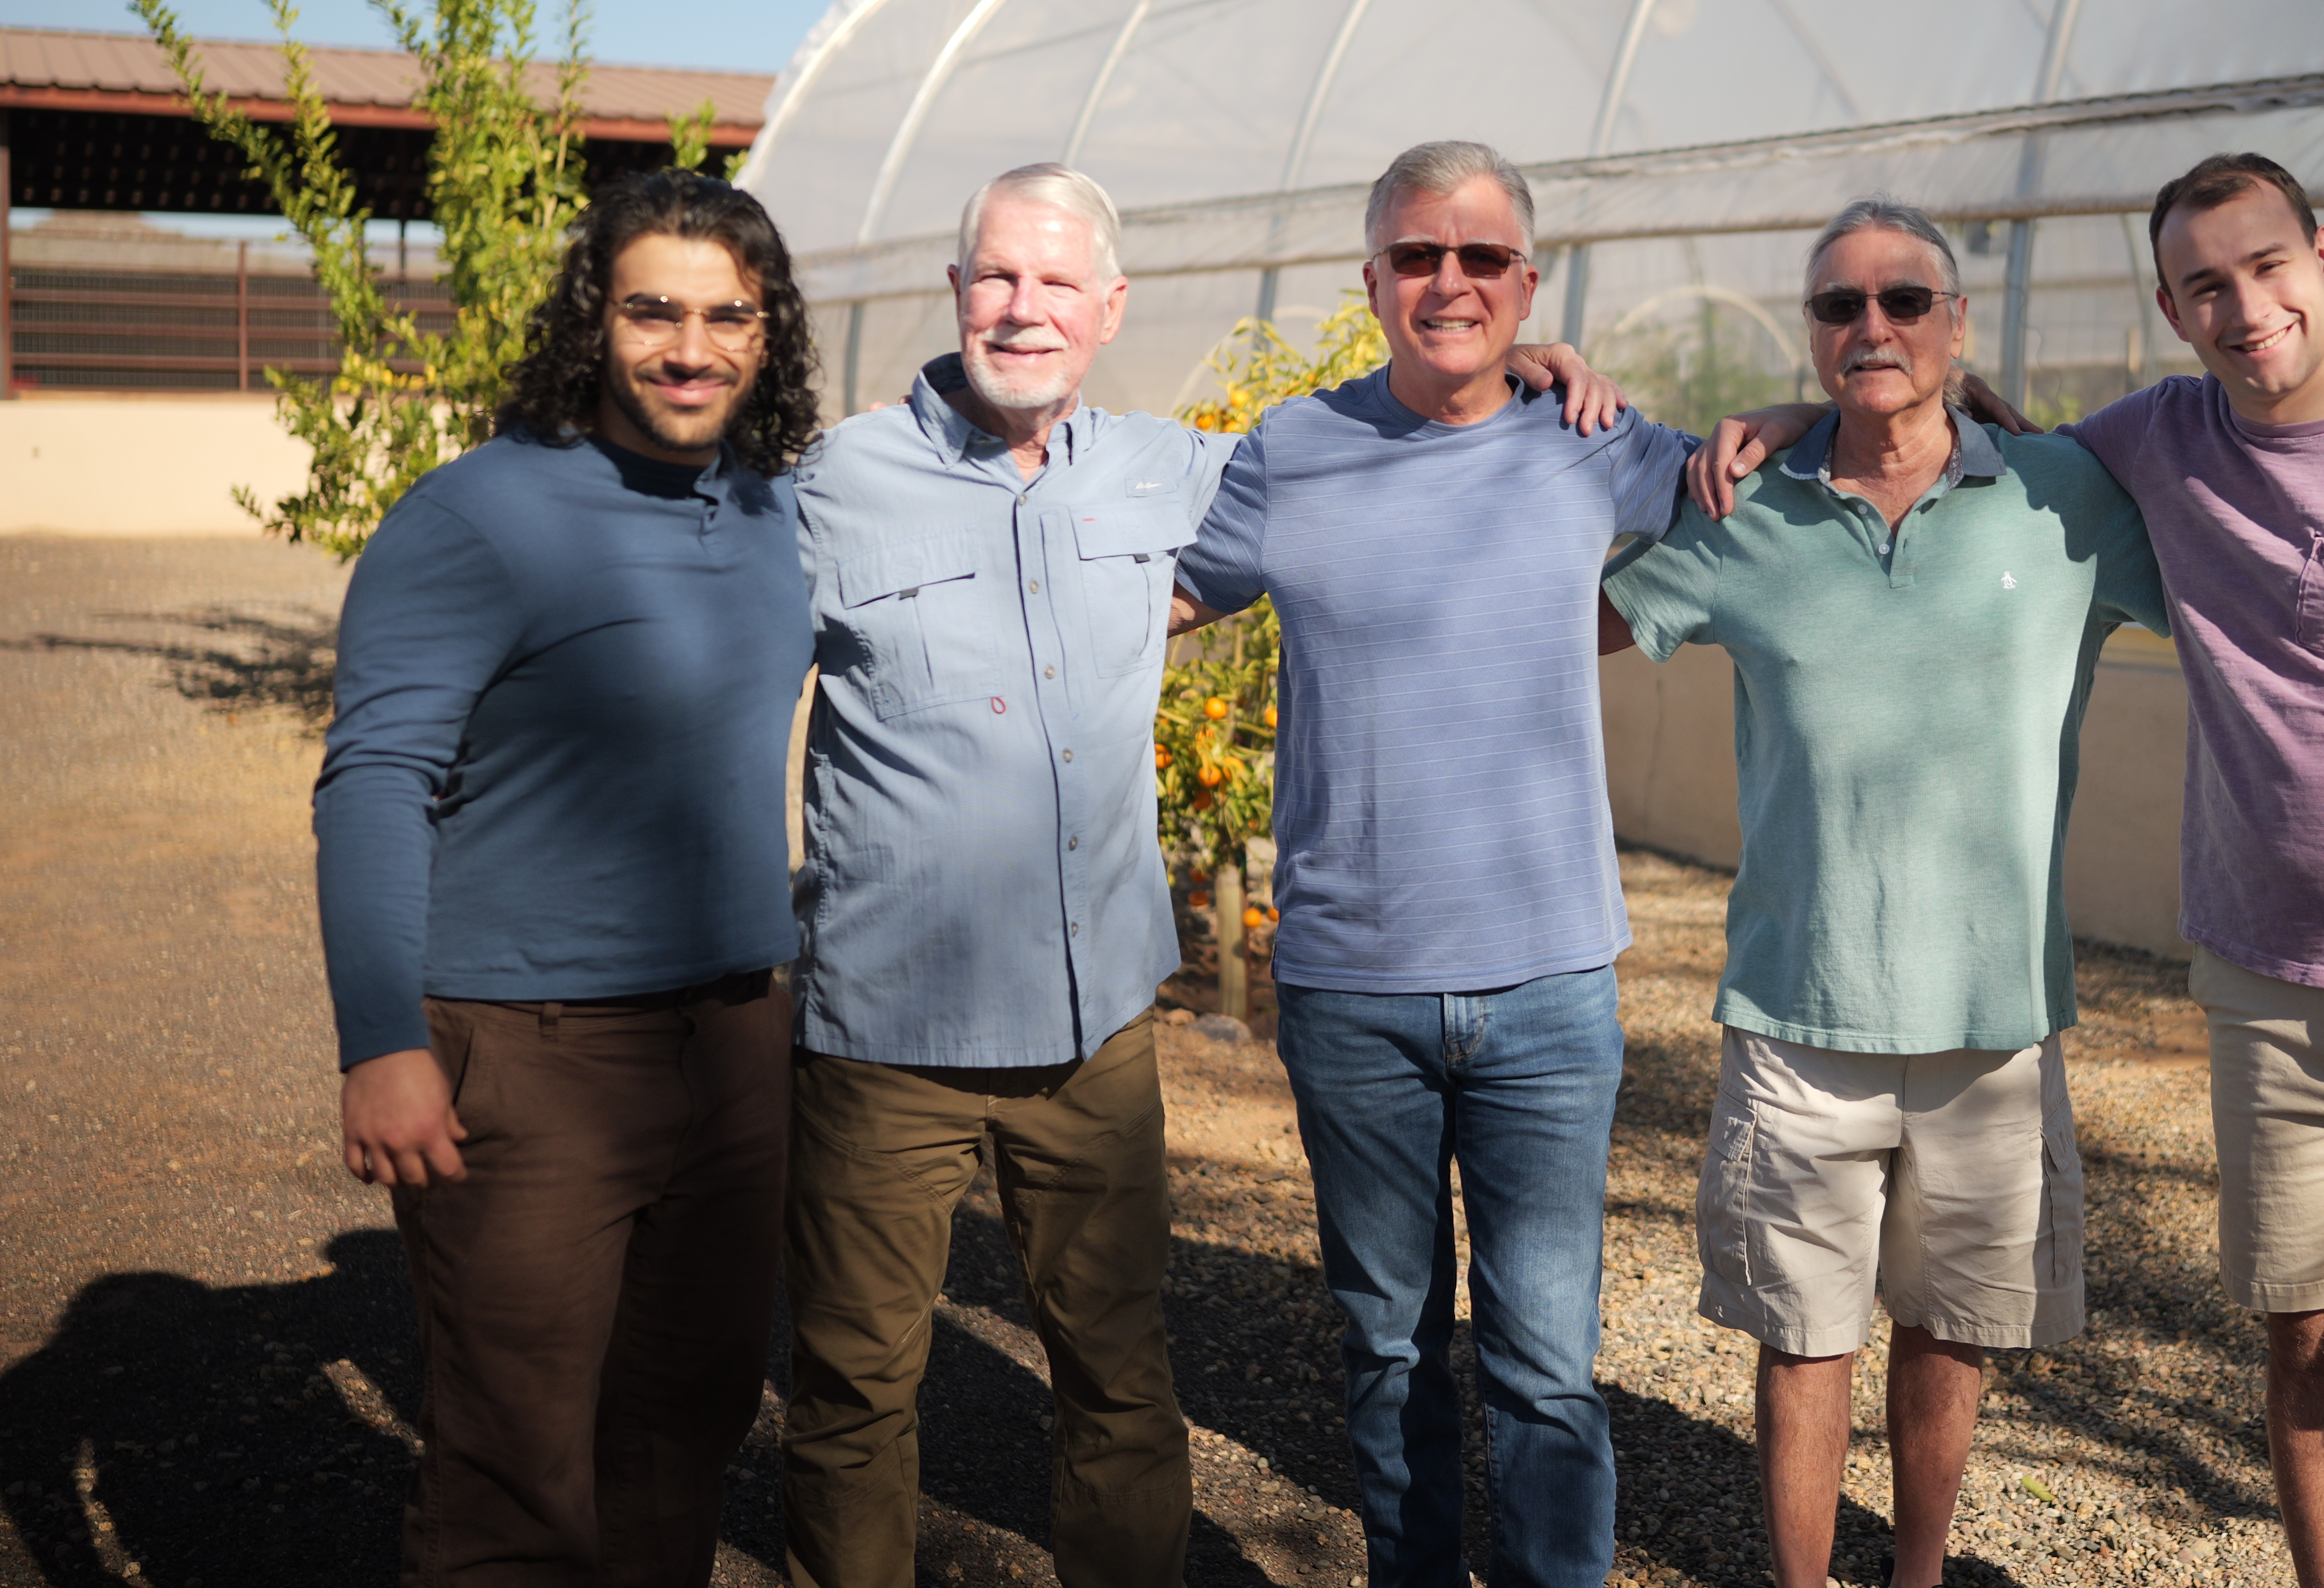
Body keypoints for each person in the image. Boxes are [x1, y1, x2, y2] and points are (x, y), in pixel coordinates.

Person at [1702, 152, 2324, 1585]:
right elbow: (1964, 436)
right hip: (2270, 998)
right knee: (2315, 1366)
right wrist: (1812, 412)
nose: (2246, 306)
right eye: (2208, 285)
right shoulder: (2158, 444)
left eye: (2267, 267)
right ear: (2171, 308)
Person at [783, 161, 1624, 1588]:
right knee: (855, 1391)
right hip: (884, 1024)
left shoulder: (1181, 468)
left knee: (1120, 1373)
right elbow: (706, 686)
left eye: (1059, 283)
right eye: (999, 276)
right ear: (957, 291)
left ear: (1109, 309)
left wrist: (1524, 370)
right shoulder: (838, 483)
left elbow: (1405, 448)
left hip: (1092, 1021)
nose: (1024, 308)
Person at [1594, 200, 2168, 1588]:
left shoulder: (2065, 500)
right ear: (1812, 333)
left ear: (1956, 326)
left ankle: (1916, 1573)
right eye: (1840, 307)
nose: (1874, 327)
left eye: (1907, 301)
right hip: (1798, 1014)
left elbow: (2259, 553)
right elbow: (1559, 629)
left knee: (1955, 1329)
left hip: (1995, 1021)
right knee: (1804, 1342)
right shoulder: (1745, 509)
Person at [1167, 142, 1696, 1588]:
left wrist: (1868, 397)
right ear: (1374, 281)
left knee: (1545, 1365)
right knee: (1388, 1345)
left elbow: (1763, 497)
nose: (1447, 281)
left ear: (1529, 281)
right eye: (1418, 257)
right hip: (1352, 990)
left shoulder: (1590, 437)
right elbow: (1156, 596)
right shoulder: (1290, 450)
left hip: (1546, 990)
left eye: (1480, 259)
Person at [317, 170, 820, 1586]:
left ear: (767, 333)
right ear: (591, 320)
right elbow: (372, 783)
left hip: (729, 1044)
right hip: (524, 1057)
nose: (690, 346)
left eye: (728, 315)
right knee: (515, 1475)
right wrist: (382, 1043)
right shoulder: (477, 518)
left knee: (683, 1437)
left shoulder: (775, 506)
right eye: (653, 309)